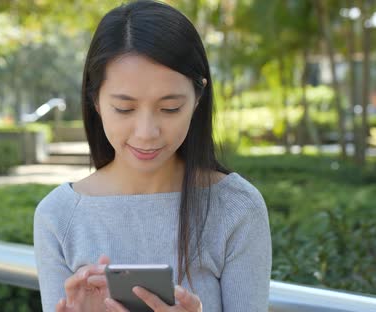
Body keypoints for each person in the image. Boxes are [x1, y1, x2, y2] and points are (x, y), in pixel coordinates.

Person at [33, 1, 272, 311]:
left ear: (198, 99)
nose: (146, 132)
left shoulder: (237, 208)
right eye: (124, 108)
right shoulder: (59, 217)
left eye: (170, 108)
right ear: (95, 100)